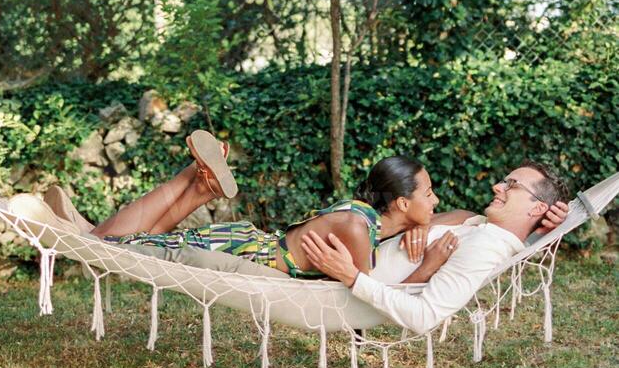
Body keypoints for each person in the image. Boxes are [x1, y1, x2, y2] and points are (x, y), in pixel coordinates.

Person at [45, 130, 449, 281]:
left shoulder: (367, 218)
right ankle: (191, 179)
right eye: (428, 193)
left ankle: (199, 185)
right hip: (242, 252)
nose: (436, 200)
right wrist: (428, 267)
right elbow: (368, 295)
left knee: (143, 239)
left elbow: (462, 217)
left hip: (247, 242)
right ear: (400, 201)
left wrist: (420, 225)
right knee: (106, 245)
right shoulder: (357, 229)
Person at [299, 161, 570, 334]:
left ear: (537, 207)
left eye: (512, 185)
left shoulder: (487, 246)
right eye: (503, 180)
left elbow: (424, 316)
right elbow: (455, 215)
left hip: (326, 283)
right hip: (322, 260)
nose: (497, 187)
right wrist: (420, 225)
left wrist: (351, 276)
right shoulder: (481, 226)